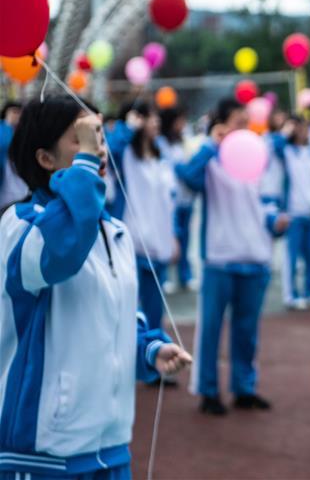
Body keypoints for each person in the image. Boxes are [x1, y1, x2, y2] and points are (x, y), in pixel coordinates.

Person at [0, 96, 191, 478]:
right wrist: (86, 165)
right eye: (82, 138)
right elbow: (63, 252)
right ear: (45, 159)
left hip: (111, 447)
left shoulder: (114, 232)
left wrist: (148, 348)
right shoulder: (20, 225)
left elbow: (115, 316)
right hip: (44, 454)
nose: (98, 149)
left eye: (99, 137)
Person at [176, 97, 289, 416]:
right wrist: (212, 146)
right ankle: (208, 390)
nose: (244, 127)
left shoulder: (258, 155)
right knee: (210, 329)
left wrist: (274, 222)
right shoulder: (209, 158)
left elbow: (265, 202)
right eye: (238, 120)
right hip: (220, 259)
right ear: (222, 123)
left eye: (246, 120)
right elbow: (187, 177)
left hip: (255, 257)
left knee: (246, 330)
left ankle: (244, 388)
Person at [107, 102, 177, 332]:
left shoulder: (160, 156)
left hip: (158, 243)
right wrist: (127, 127)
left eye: (156, 117)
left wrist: (174, 235)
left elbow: (168, 201)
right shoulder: (125, 154)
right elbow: (110, 149)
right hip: (132, 245)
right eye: (148, 117)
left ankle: (153, 363)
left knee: (155, 314)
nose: (155, 122)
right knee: (130, 314)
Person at [271, 115, 310, 310]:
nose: (303, 131)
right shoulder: (287, 151)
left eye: (304, 127)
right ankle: (291, 294)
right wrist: (286, 131)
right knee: (291, 257)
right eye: (298, 128)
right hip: (293, 213)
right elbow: (274, 145)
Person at [159, 106, 198, 292]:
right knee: (169, 236)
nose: (182, 125)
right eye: (178, 121)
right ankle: (165, 275)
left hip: (186, 199)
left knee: (185, 239)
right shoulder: (160, 143)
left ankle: (185, 275)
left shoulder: (183, 142)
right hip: (169, 201)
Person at [0, 100, 28, 209]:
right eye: (14, 112)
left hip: (20, 188)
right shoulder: (4, 129)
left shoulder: (23, 131)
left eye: (20, 112)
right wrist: (7, 124)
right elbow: (4, 144)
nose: (17, 115)